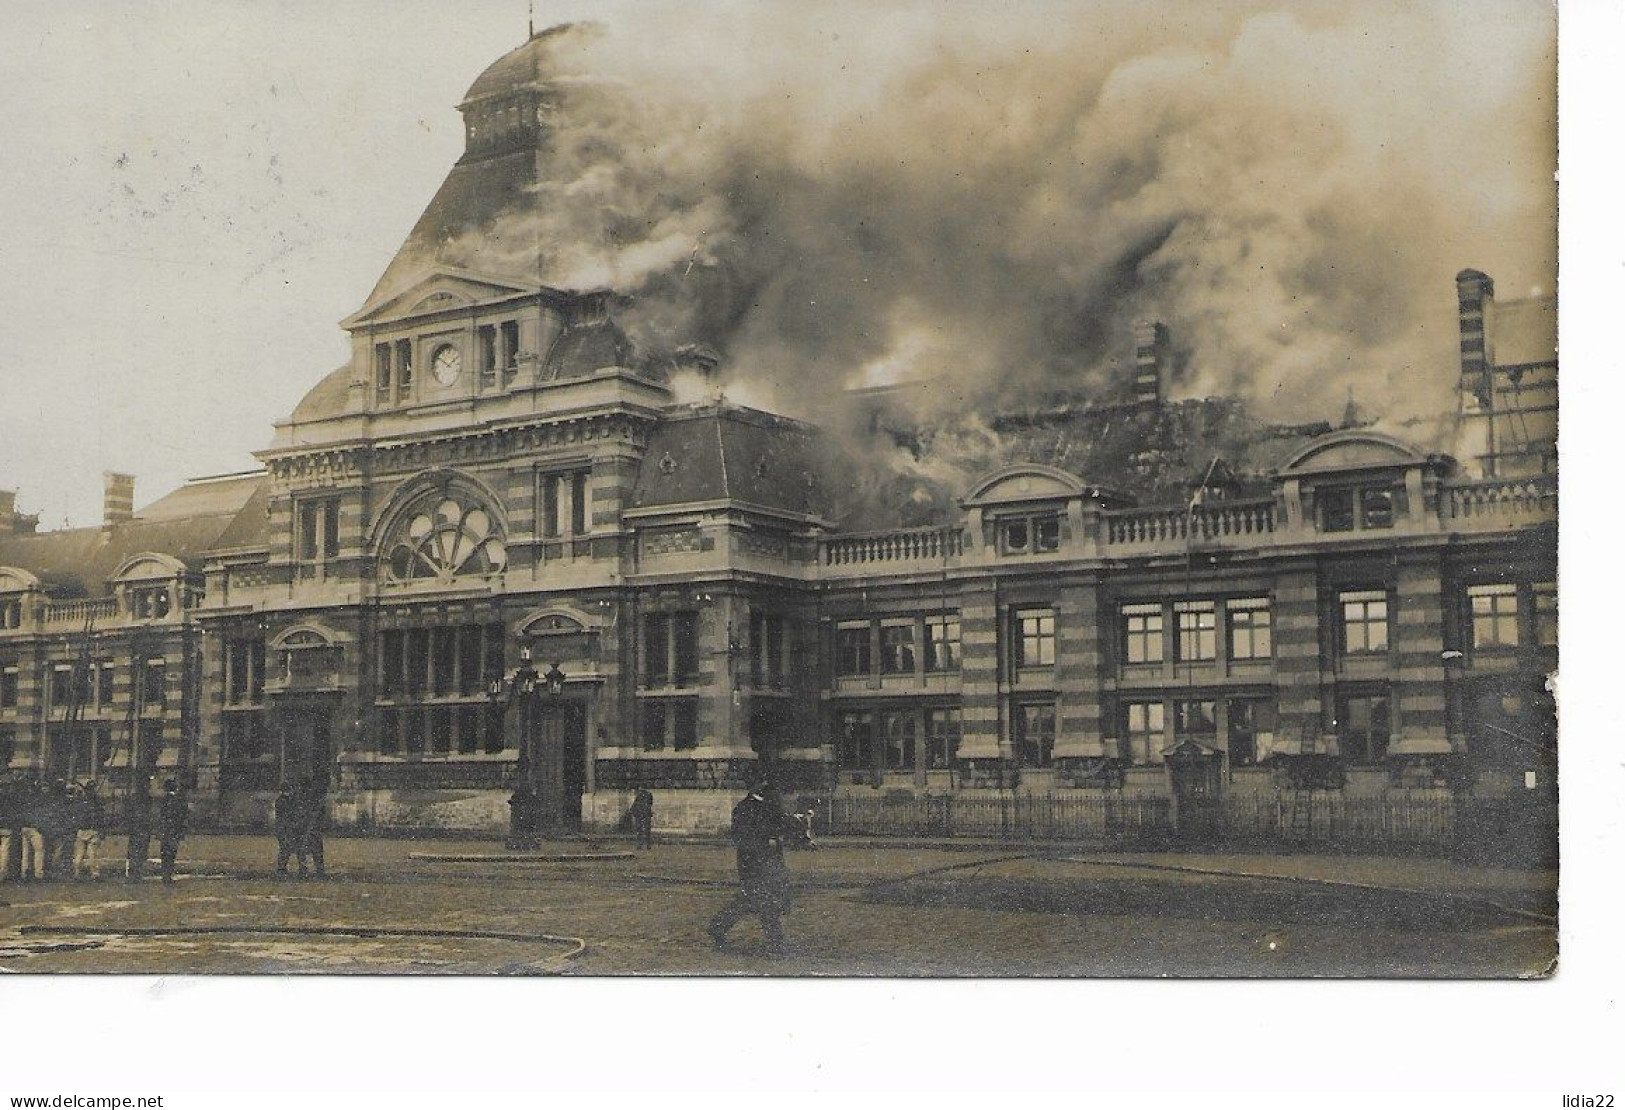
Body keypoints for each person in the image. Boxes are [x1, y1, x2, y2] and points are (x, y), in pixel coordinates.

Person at [707, 779, 799, 956]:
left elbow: (780, 826)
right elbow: (741, 836)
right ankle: (777, 944)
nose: (776, 796)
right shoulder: (744, 808)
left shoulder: (767, 807)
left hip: (767, 862)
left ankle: (717, 927)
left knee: (748, 902)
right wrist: (765, 840)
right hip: (753, 864)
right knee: (765, 903)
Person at [71, 780, 105, 880]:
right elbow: (101, 818)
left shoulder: (81, 802)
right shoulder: (96, 803)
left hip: (82, 830)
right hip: (91, 829)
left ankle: (77, 874)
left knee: (80, 854)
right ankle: (94, 874)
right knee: (92, 855)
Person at [157, 778, 187, 883]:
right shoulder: (178, 800)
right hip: (174, 831)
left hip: (166, 831)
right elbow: (181, 817)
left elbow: (160, 816)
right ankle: (168, 874)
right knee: (171, 853)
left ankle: (165, 874)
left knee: (165, 853)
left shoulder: (163, 800)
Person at [273, 784, 307, 878]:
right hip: (287, 828)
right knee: (290, 848)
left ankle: (284, 868)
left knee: (288, 849)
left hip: (288, 828)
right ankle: (299, 868)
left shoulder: (284, 800)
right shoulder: (285, 801)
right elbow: (288, 815)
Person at [298, 779, 327, 880]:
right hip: (311, 829)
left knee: (306, 851)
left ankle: (306, 870)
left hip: (309, 829)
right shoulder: (312, 799)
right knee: (315, 851)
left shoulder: (304, 799)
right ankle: (318, 870)